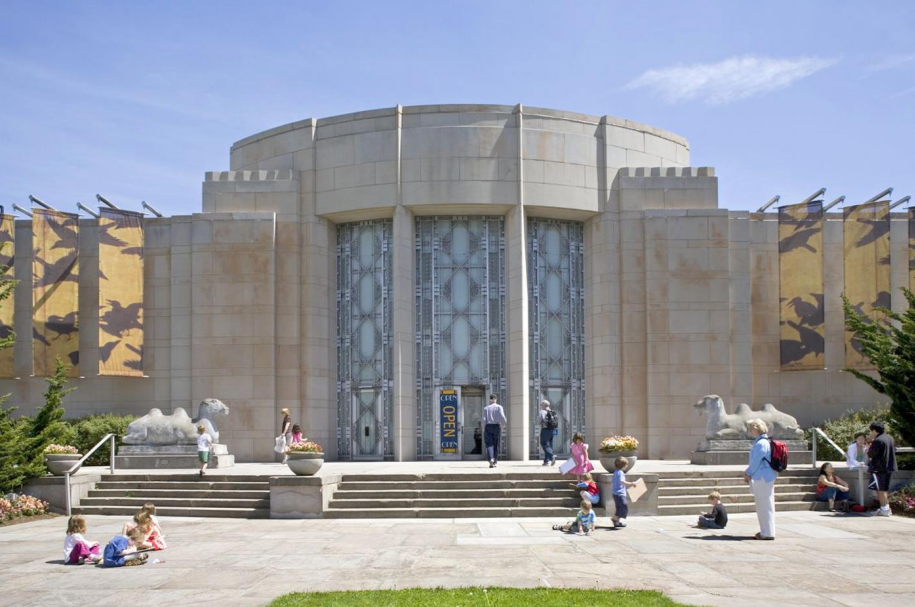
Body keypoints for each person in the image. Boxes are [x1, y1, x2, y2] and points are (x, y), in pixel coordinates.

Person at [744, 418, 777, 540]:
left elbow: (755, 461)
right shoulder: (763, 442)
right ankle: (768, 531)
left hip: (762, 477)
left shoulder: (761, 443)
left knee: (763, 505)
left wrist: (748, 472)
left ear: (756, 429)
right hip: (766, 476)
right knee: (766, 504)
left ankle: (767, 532)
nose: (750, 431)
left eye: (751, 429)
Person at [867, 421, 897, 517]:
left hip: (879, 468)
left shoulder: (878, 440)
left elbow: (871, 454)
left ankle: (884, 509)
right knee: (884, 489)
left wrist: (869, 445)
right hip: (889, 467)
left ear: (875, 430)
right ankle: (886, 508)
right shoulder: (890, 438)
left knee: (880, 489)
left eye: (872, 431)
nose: (871, 433)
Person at [482, 394, 506, 468]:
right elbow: (503, 418)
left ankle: (491, 459)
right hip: (496, 426)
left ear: (490, 399)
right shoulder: (499, 407)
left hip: (488, 427)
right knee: (495, 444)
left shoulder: (486, 408)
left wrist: (484, 428)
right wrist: (502, 425)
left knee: (489, 444)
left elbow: (483, 420)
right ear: (496, 399)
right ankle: (495, 461)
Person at [611, 456, 636, 528]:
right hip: (619, 493)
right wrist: (631, 484)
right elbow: (622, 482)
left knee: (619, 507)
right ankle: (615, 518)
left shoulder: (616, 472)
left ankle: (617, 522)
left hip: (616, 493)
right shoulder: (620, 473)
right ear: (623, 465)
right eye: (626, 465)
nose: (626, 466)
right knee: (623, 506)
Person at [538, 399, 557, 466]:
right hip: (552, 430)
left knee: (544, 444)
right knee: (549, 445)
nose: (540, 406)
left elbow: (539, 421)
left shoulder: (542, 411)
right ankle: (546, 461)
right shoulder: (551, 411)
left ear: (543, 405)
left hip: (545, 429)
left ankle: (552, 456)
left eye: (541, 405)